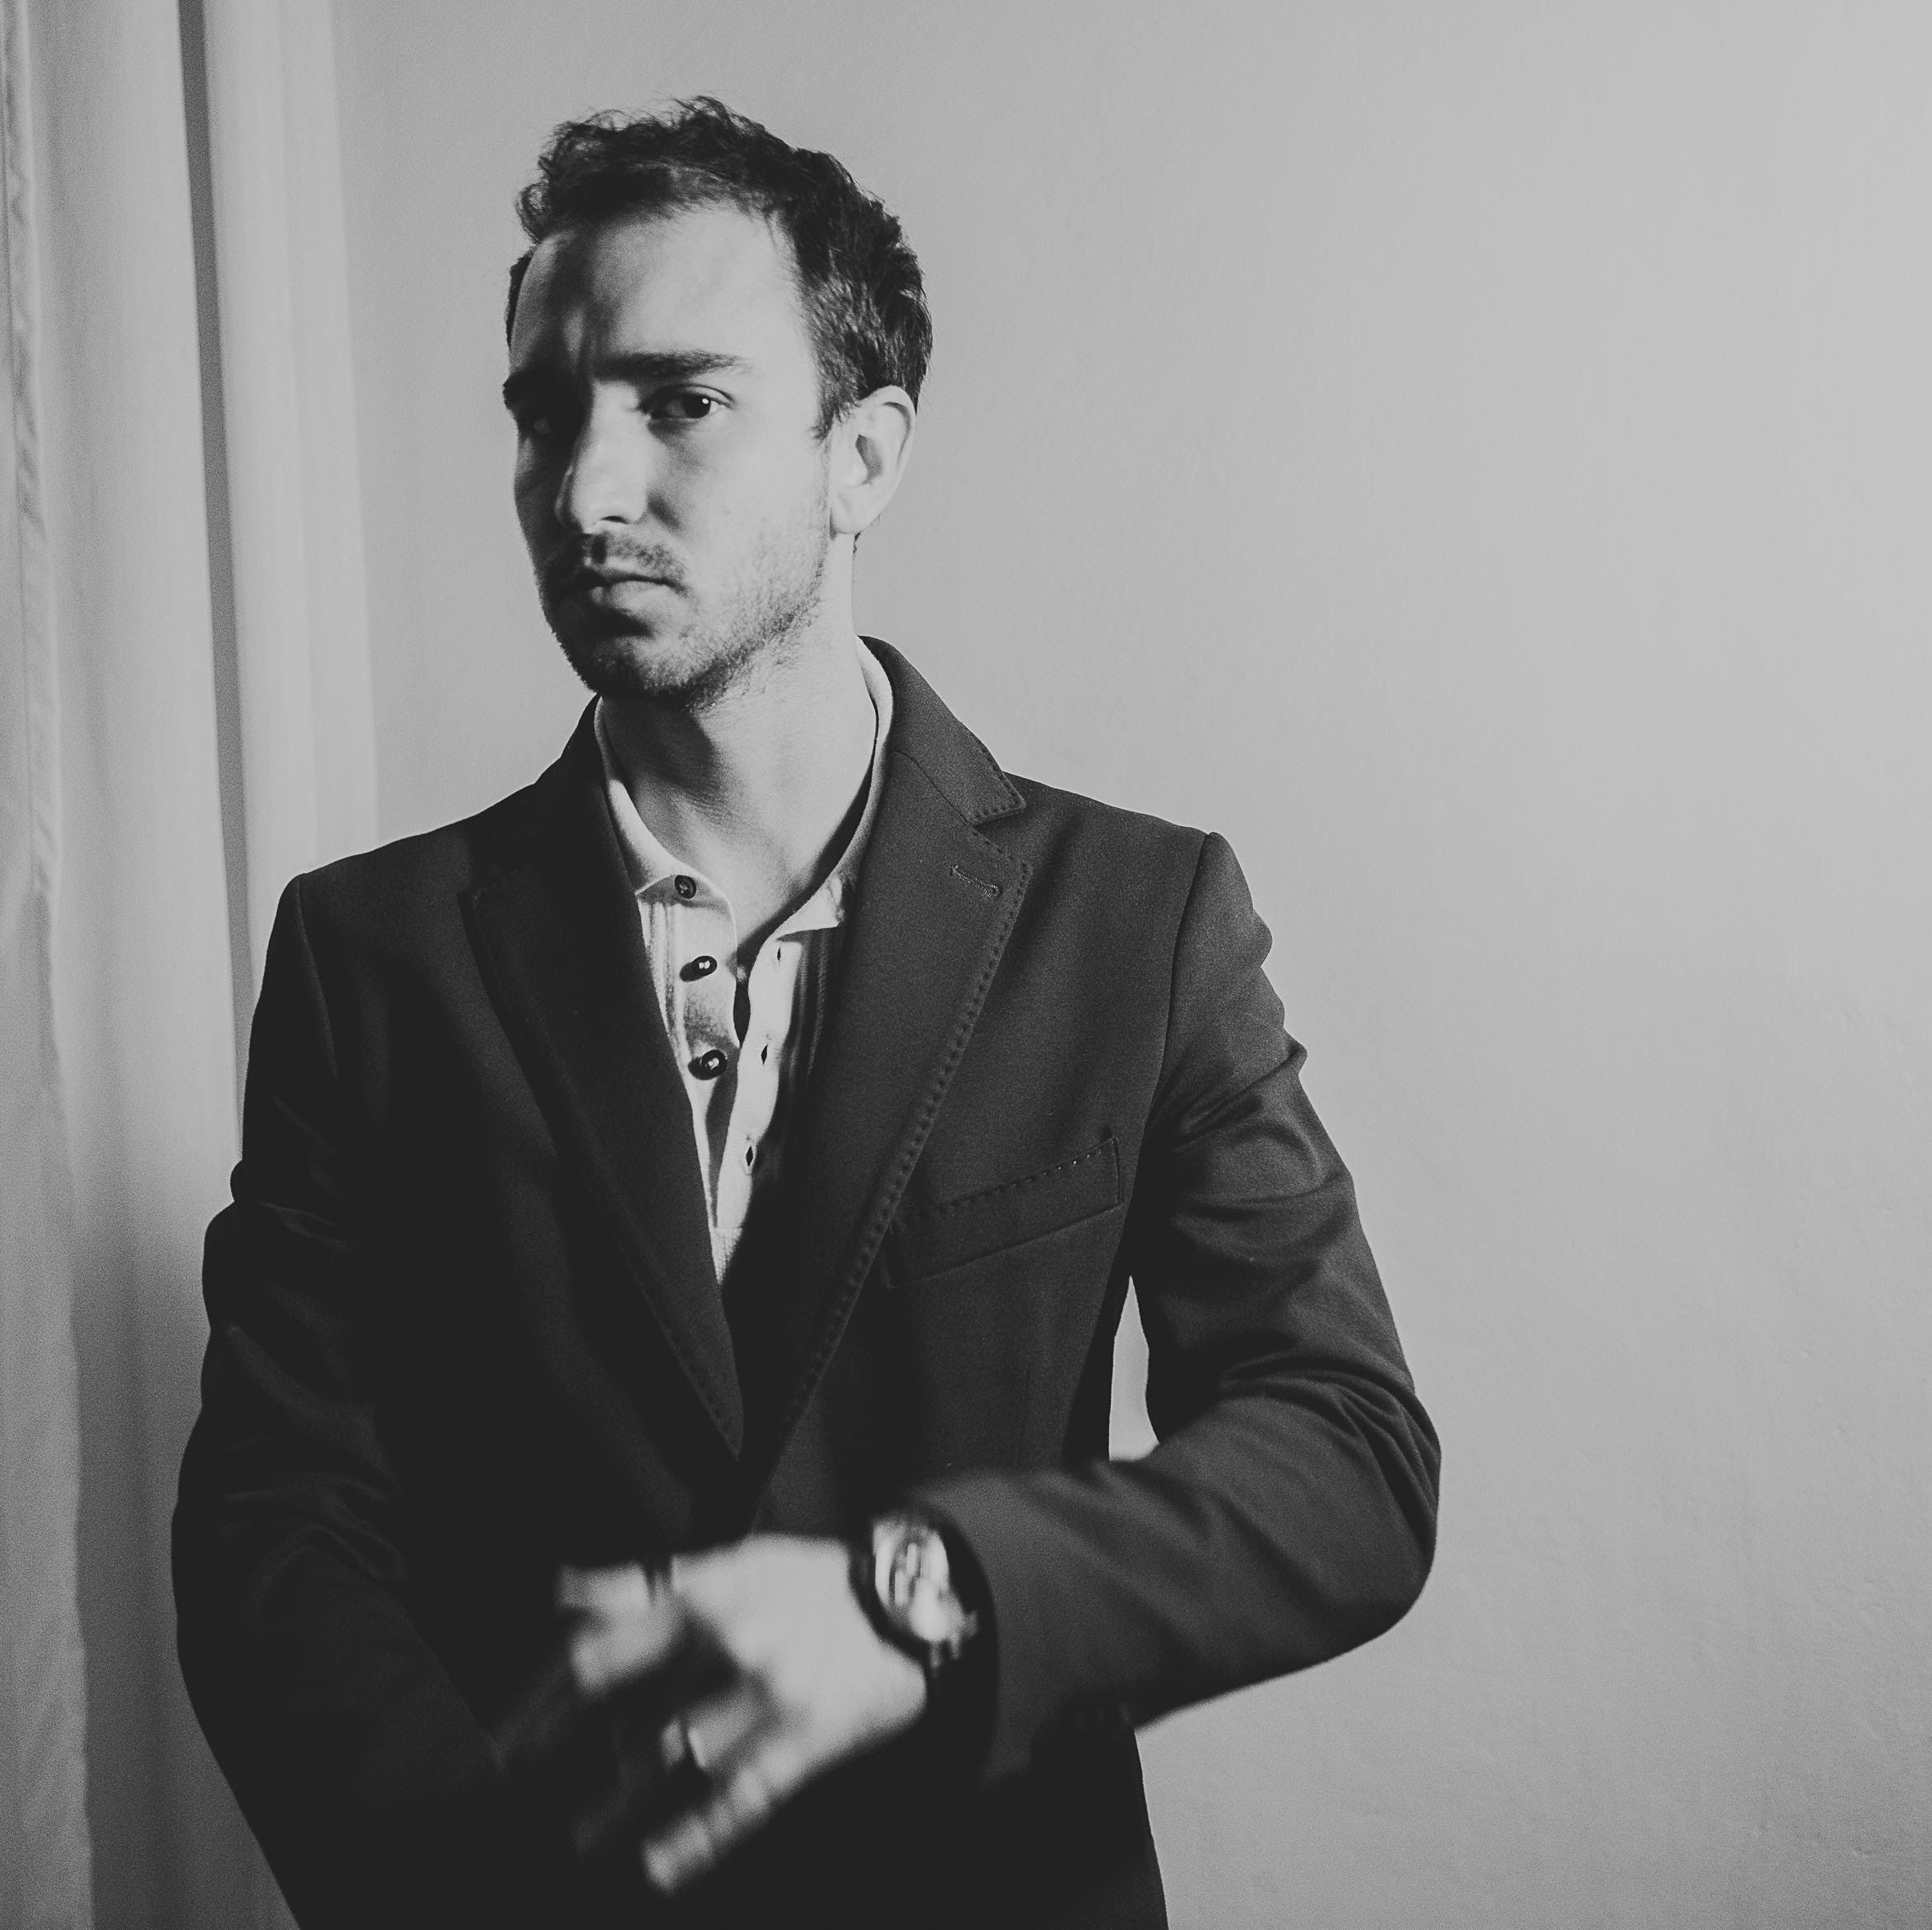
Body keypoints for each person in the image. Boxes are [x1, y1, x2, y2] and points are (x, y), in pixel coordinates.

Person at [172, 96, 1438, 1928]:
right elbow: (276, 1531)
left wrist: (922, 1594)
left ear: (864, 455)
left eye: (680, 403)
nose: (583, 491)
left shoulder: (1136, 920)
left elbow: (1345, 1451)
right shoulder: (366, 955)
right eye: (546, 412)